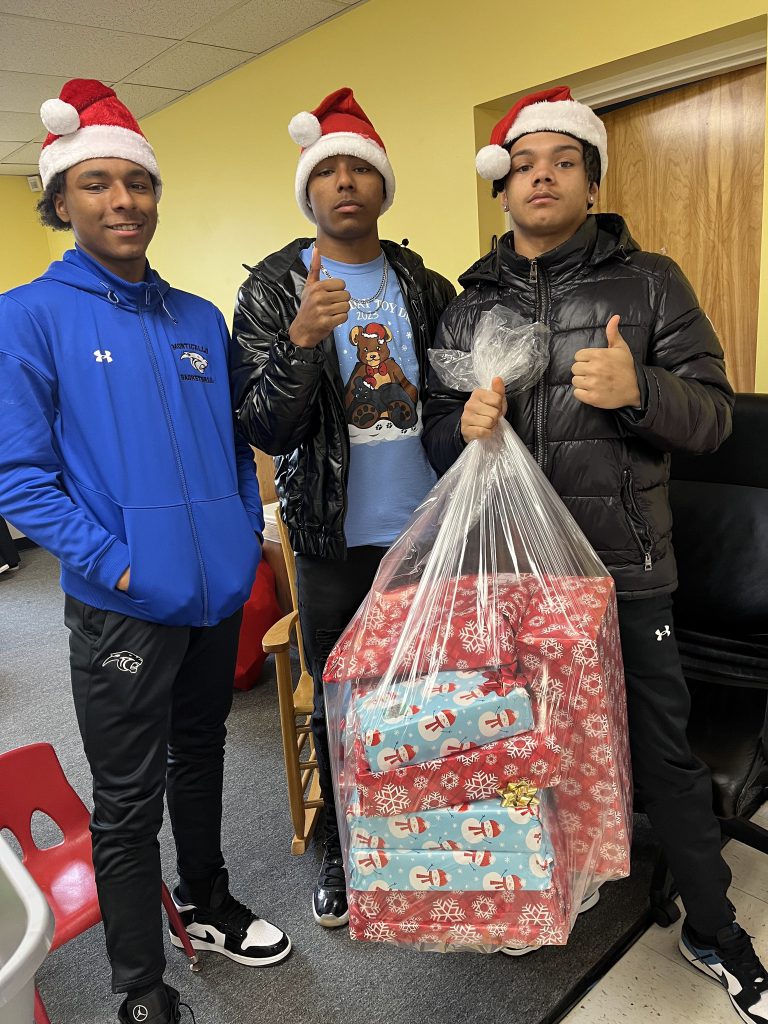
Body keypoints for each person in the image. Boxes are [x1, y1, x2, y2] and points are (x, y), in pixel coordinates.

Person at [422, 86, 767, 1024]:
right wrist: (460, 427)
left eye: (563, 161)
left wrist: (638, 387)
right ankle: (533, 894)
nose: (543, 175)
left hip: (625, 570)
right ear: (502, 188)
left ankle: (715, 927)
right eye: (525, 163)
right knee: (515, 751)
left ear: (590, 179)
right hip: (507, 579)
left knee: (662, 755)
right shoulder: (467, 304)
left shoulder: (651, 282)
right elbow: (433, 443)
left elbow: (714, 418)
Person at [0, 79, 290, 1024]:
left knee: (201, 756)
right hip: (123, 603)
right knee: (126, 802)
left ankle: (206, 904)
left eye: (139, 183)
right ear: (62, 200)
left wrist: (244, 535)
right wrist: (120, 564)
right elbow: (20, 480)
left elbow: (235, 449)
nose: (123, 201)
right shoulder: (28, 317)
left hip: (213, 595)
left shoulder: (201, 319)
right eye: (97, 184)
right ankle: (139, 988)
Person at [231, 87, 455, 929]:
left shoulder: (423, 284)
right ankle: (341, 841)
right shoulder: (271, 290)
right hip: (327, 534)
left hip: (426, 531)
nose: (345, 181)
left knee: (429, 684)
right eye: (327, 169)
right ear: (308, 191)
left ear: (383, 186)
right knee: (339, 692)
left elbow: (449, 395)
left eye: (360, 166)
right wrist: (297, 344)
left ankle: (424, 822)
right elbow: (259, 422)